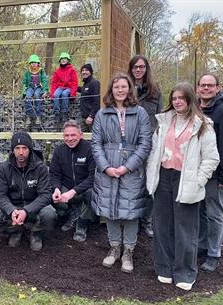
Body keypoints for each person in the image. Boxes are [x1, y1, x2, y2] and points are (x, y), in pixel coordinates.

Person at [146, 82, 219, 291]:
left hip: (186, 179)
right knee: (162, 225)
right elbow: (154, 151)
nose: (177, 102)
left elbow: (211, 158)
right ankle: (164, 267)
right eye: (174, 98)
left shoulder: (203, 125)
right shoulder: (164, 122)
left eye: (181, 98)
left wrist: (198, 180)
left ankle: (185, 272)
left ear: (189, 99)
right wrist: (152, 174)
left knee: (185, 228)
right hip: (164, 177)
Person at [91, 73, 152, 273]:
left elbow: (145, 144)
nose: (120, 90)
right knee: (110, 210)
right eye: (116, 86)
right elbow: (96, 144)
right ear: (111, 89)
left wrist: (128, 166)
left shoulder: (140, 113)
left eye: (124, 86)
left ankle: (128, 251)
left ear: (129, 89)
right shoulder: (102, 114)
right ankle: (114, 248)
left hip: (132, 170)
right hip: (107, 168)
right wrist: (106, 167)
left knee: (131, 212)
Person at [0, 131, 56, 251]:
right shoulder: (4, 168)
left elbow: (45, 195)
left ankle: (36, 233)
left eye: (25, 148)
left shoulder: (41, 168)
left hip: (34, 206)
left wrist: (26, 211)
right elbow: (0, 195)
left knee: (50, 214)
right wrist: (11, 210)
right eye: (17, 148)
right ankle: (15, 231)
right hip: (13, 205)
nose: (21, 152)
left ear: (30, 149)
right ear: (13, 150)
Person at [197, 73, 223, 272]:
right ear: (198, 88)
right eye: (203, 85)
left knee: (214, 213)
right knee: (201, 211)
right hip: (196, 172)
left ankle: (214, 253)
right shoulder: (196, 108)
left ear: (217, 88)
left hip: (214, 175)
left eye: (210, 86)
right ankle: (202, 245)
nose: (206, 88)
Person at [127, 55, 163, 238]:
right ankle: (131, 217)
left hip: (149, 143)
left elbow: (160, 118)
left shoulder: (155, 91)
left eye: (141, 67)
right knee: (132, 182)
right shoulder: (125, 89)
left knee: (150, 183)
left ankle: (146, 221)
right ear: (131, 69)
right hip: (129, 144)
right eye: (135, 67)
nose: (138, 70)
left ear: (146, 69)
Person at [49, 120, 96, 242]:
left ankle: (82, 223)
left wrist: (73, 191)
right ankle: (72, 213)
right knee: (49, 192)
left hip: (85, 188)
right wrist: (56, 188)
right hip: (67, 187)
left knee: (92, 193)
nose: (69, 139)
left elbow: (93, 177)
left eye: (73, 135)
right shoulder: (59, 151)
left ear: (81, 135)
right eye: (66, 135)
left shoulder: (90, 150)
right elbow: (54, 174)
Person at [50, 52, 78, 122]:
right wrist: (52, 93)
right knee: (56, 95)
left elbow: (75, 82)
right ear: (60, 61)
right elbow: (54, 83)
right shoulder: (57, 71)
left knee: (64, 94)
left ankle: (64, 112)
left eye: (65, 59)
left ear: (68, 60)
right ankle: (57, 113)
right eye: (62, 59)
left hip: (69, 87)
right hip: (60, 87)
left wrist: (73, 93)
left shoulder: (72, 70)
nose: (63, 60)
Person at [21, 54, 48, 126]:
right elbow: (24, 82)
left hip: (38, 87)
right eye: (32, 63)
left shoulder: (41, 71)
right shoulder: (27, 72)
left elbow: (45, 81)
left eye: (35, 63)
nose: (34, 64)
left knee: (37, 96)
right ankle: (29, 115)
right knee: (28, 97)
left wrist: (45, 90)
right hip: (30, 87)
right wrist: (23, 91)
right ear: (30, 64)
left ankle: (38, 116)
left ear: (38, 63)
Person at [77, 63, 100, 132]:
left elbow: (97, 101)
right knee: (83, 139)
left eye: (86, 70)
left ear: (91, 72)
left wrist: (91, 116)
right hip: (83, 117)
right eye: (82, 70)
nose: (84, 72)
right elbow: (83, 90)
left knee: (94, 138)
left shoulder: (94, 83)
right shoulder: (85, 84)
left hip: (92, 118)